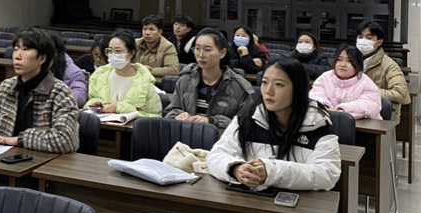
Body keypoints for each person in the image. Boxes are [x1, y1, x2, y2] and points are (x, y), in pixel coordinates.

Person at [208, 58, 341, 192]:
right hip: (251, 199)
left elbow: (327, 174)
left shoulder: (318, 124)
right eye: (264, 82)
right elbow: (216, 156)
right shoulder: (248, 117)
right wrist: (235, 169)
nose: (268, 91)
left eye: (278, 84)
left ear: (297, 89)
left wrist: (272, 171)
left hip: (298, 201)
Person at [0, 27, 78, 154]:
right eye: (16, 49)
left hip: (43, 162)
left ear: (42, 58)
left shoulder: (60, 93)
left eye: (25, 49)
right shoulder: (6, 87)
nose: (17, 56)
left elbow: (65, 140)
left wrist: (19, 140)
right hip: (2, 158)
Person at [163, 27, 254, 128]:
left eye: (207, 50)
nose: (201, 54)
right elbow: (169, 112)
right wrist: (178, 115)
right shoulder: (185, 80)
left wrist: (213, 121)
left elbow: (246, 124)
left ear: (222, 53)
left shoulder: (238, 86)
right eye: (197, 49)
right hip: (185, 134)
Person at [84, 30, 162, 118]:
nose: (113, 55)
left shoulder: (144, 80)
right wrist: (96, 104)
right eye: (110, 51)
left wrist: (122, 109)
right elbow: (92, 99)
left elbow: (155, 115)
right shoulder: (99, 75)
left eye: (118, 51)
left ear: (131, 53)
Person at [356, 20, 410, 125]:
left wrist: (369, 92)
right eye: (360, 37)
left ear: (379, 42)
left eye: (368, 38)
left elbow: (401, 94)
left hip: (378, 116)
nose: (363, 41)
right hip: (355, 111)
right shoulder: (351, 60)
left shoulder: (389, 65)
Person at [310, 44, 382, 120]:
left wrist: (343, 110)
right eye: (339, 60)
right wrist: (324, 107)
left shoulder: (366, 83)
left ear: (359, 65)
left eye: (349, 61)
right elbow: (315, 96)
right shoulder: (325, 78)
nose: (343, 65)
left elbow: (371, 105)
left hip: (361, 126)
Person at [47, 31, 89, 107]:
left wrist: (54, 100)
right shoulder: (28, 66)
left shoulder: (73, 72)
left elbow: (79, 97)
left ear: (55, 51)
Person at [134, 15, 180, 83]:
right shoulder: (135, 43)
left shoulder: (168, 47)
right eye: (145, 29)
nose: (147, 33)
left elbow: (173, 70)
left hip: (156, 84)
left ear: (160, 32)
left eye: (151, 29)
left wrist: (150, 70)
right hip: (134, 81)